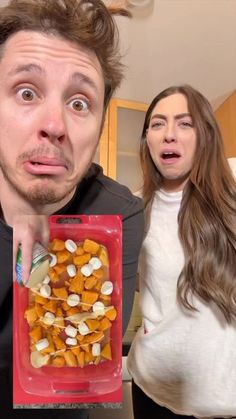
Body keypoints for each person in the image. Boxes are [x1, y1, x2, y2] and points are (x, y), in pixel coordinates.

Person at [0, 0, 144, 417]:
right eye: (27, 92)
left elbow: (87, 354)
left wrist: (39, 248)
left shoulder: (118, 212)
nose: (56, 124)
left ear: (99, 128)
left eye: (79, 102)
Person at [127, 85, 236, 419]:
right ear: (147, 140)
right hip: (152, 390)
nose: (168, 134)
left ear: (204, 135)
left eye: (184, 123)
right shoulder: (133, 208)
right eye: (157, 124)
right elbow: (139, 284)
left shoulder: (232, 188)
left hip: (225, 402)